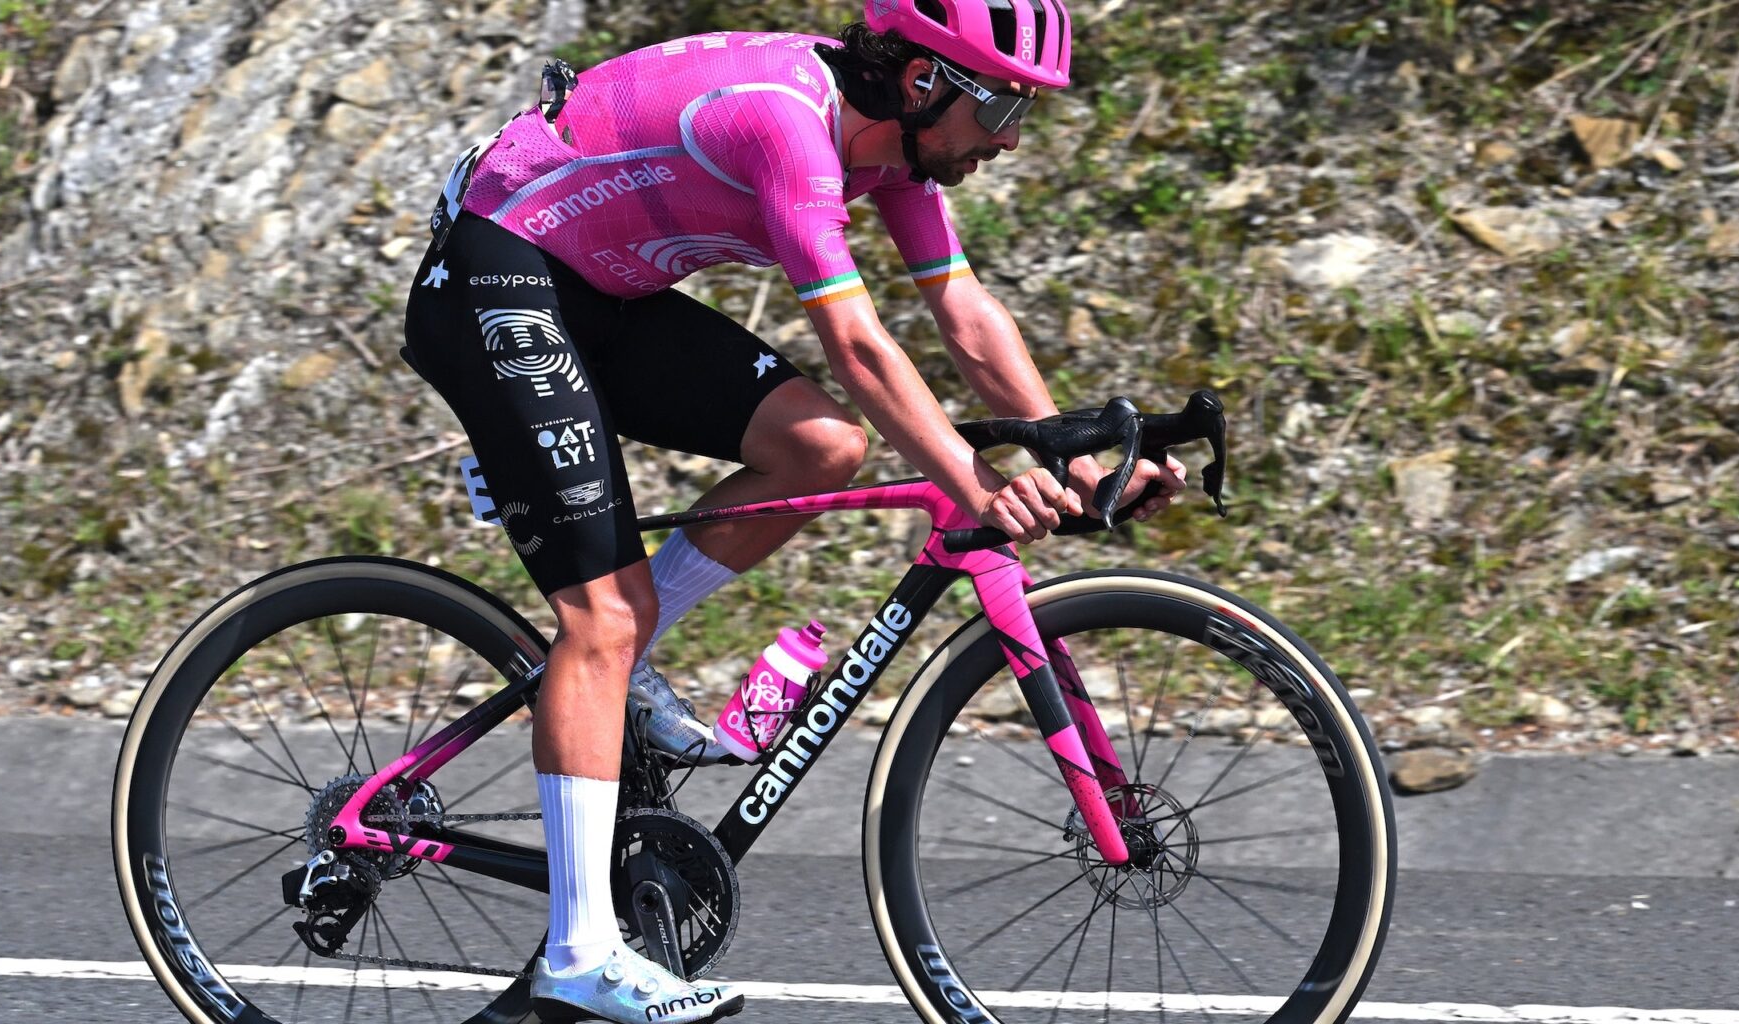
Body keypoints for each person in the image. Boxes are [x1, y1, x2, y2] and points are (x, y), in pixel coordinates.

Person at [402, 2, 1184, 1020]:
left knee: (818, 445)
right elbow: (859, 349)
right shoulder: (786, 121)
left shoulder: (899, 152)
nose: (1009, 137)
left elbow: (963, 312)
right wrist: (974, 485)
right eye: (1000, 104)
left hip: (598, 290)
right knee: (601, 617)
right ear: (922, 82)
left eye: (1023, 110)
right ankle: (580, 955)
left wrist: (1076, 452)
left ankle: (625, 665)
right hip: (496, 275)